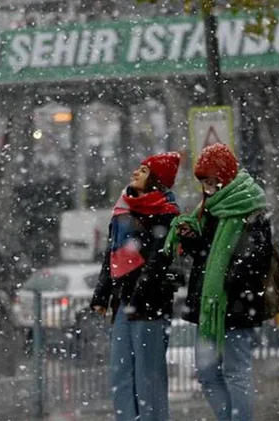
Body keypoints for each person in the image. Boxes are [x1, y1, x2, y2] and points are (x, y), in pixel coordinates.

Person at [164, 143, 272, 421]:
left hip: (236, 303)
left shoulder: (250, 207)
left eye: (211, 181)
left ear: (225, 175)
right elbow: (206, 254)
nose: (208, 188)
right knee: (207, 372)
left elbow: (255, 258)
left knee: (236, 371)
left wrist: (226, 279)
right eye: (203, 182)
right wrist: (190, 239)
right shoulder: (210, 208)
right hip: (210, 305)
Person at [90, 152, 182, 421]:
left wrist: (139, 293)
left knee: (148, 377)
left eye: (144, 170)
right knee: (121, 373)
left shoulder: (166, 214)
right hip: (122, 303)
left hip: (149, 305)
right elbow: (111, 256)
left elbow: (159, 259)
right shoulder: (122, 209)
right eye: (138, 167)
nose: (136, 172)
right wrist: (101, 294)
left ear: (156, 180)